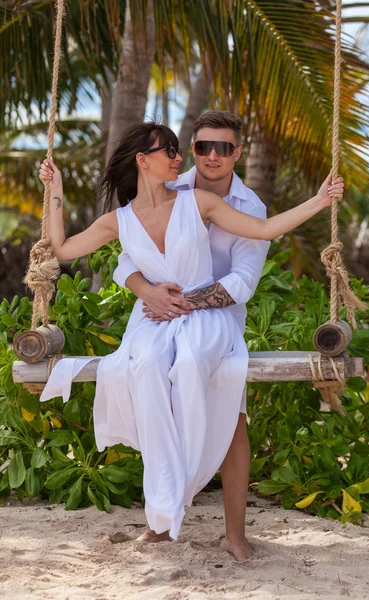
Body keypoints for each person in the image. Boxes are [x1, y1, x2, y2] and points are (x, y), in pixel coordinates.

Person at [38, 120, 344, 557]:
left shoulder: (198, 201)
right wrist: (57, 188)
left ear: (237, 153)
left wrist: (319, 200)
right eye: (172, 150)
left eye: (184, 149)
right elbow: (63, 249)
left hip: (209, 318)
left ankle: (190, 489)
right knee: (140, 368)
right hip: (154, 318)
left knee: (190, 363)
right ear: (144, 161)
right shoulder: (118, 220)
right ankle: (163, 503)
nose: (182, 157)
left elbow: (264, 231)